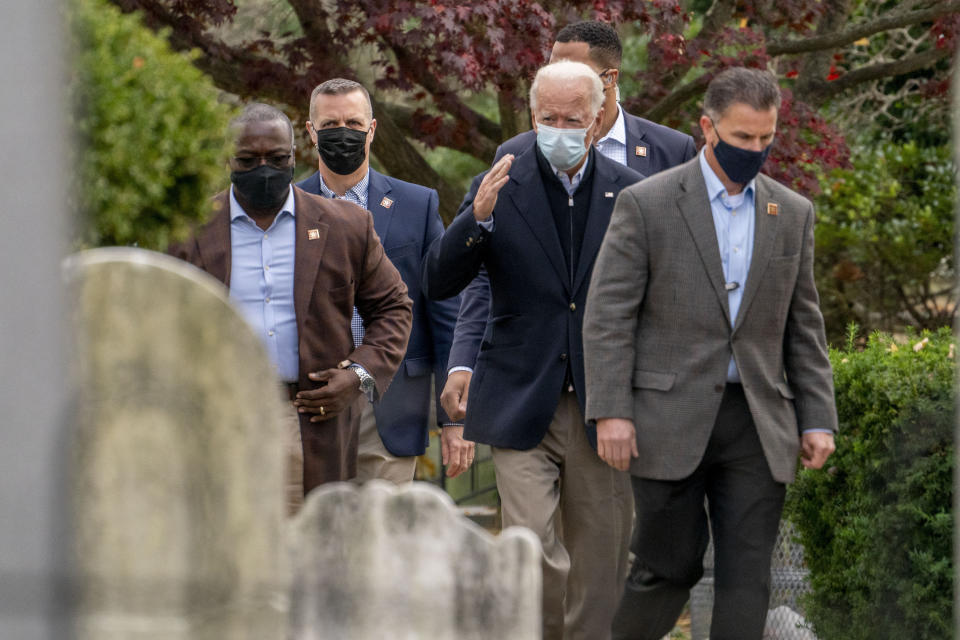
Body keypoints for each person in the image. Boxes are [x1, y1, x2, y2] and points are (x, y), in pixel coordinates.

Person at [582, 67, 838, 640]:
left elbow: (804, 324)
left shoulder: (792, 213)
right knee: (668, 567)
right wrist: (611, 411)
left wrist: (818, 417)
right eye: (742, 137)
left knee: (748, 576)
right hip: (664, 421)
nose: (755, 150)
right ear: (707, 127)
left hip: (757, 420)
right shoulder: (646, 204)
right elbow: (608, 318)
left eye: (766, 139)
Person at [423, 60, 644, 640]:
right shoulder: (500, 183)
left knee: (600, 565)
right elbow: (442, 282)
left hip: (603, 405)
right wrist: (476, 221)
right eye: (549, 117)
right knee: (532, 554)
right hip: (520, 397)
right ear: (532, 115)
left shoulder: (633, 193)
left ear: (598, 118)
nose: (561, 128)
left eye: (574, 118)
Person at [442, 19, 696, 426]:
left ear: (609, 80)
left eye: (571, 71)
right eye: (549, 69)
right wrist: (463, 360)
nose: (556, 80)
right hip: (531, 379)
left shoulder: (671, 151)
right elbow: (489, 271)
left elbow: (683, 273)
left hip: (627, 384)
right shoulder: (515, 153)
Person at [169, 103, 412, 514]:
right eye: (248, 159)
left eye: (277, 158)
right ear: (228, 159)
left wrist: (358, 375)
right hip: (217, 421)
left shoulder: (347, 226)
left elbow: (393, 307)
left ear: (295, 155)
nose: (263, 168)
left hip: (306, 421)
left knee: (307, 560)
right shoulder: (188, 230)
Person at [296, 79, 470, 483]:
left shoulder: (417, 205)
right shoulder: (291, 206)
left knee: (383, 540)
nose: (344, 133)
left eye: (354, 123)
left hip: (391, 403)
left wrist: (454, 421)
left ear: (372, 129)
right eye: (331, 124)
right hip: (315, 404)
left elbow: (446, 314)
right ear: (311, 131)